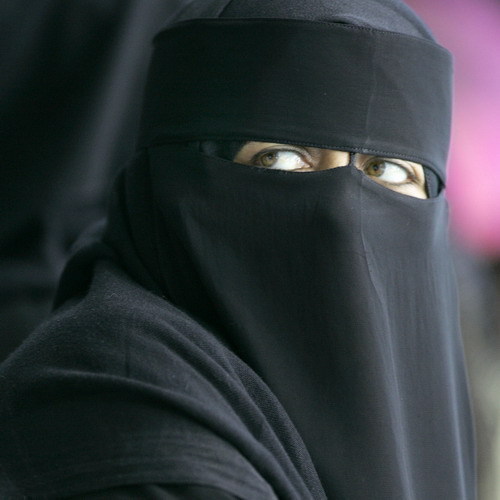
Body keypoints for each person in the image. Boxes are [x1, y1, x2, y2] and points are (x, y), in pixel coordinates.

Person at [0, 0, 475, 498]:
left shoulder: (429, 397)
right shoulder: (131, 427)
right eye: (281, 157)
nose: (341, 211)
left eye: (389, 170)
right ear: (177, 176)